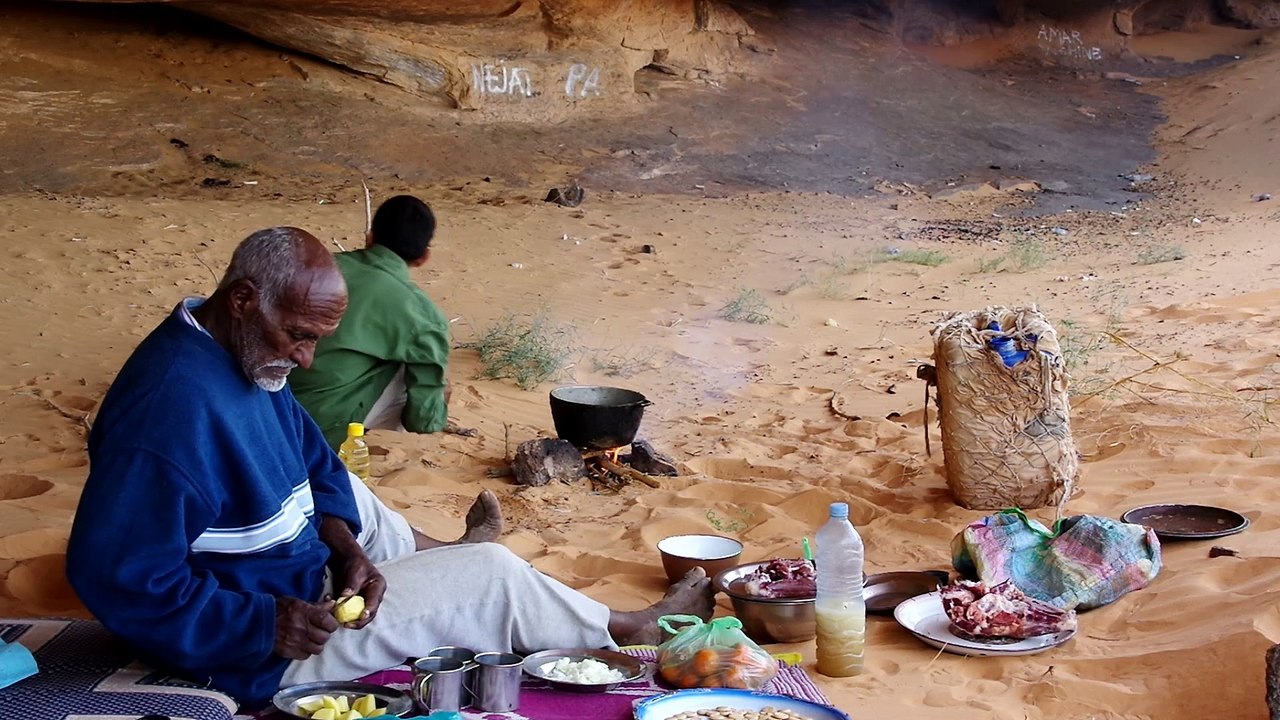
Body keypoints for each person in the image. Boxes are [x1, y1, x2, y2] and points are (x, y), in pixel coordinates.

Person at [65, 227, 714, 709]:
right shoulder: (166, 417)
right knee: (491, 577)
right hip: (263, 651)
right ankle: (623, 627)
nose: (309, 358)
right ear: (241, 299)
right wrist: (265, 625)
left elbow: (313, 463)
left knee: (345, 490)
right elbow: (114, 577)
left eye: (317, 338)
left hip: (307, 578)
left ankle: (424, 560)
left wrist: (345, 546)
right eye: (300, 335)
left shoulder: (234, 350)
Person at [289, 195, 452, 449]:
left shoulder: (312, 267)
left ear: (370, 237)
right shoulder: (421, 314)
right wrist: (439, 399)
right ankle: (344, 444)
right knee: (413, 362)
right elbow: (423, 421)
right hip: (313, 427)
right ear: (424, 256)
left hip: (255, 404)